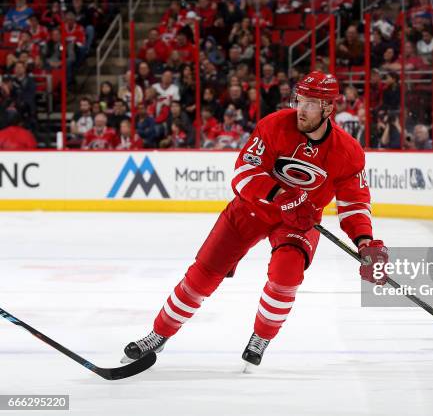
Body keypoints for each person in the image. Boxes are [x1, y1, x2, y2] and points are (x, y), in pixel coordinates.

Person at [121, 71, 389, 367]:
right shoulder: (273, 125)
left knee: (286, 275)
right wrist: (280, 195)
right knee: (203, 274)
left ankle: (261, 336)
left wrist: (365, 242)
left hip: (298, 221)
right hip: (251, 209)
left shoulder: (348, 151)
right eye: (300, 100)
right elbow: (243, 173)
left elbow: (354, 202)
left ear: (328, 108)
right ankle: (158, 334)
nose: (301, 108)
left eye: (311, 103)